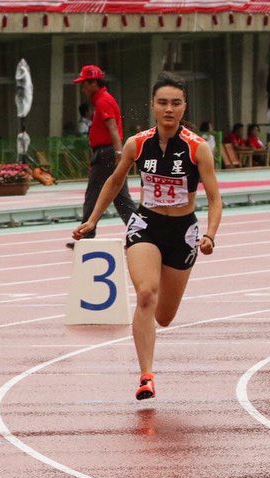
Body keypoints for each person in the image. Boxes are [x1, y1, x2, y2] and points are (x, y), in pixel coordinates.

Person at [73, 72, 221, 401]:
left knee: (164, 317)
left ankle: (150, 328)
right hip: (146, 224)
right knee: (144, 294)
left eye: (176, 103)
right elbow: (113, 181)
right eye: (162, 103)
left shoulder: (198, 149)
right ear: (153, 106)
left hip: (183, 231)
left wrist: (210, 234)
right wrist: (92, 220)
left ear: (184, 107)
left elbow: (214, 198)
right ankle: (146, 376)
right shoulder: (137, 144)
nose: (169, 109)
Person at [66, 65, 136, 249]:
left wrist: (119, 153)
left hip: (107, 153)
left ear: (94, 83)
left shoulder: (103, 101)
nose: (83, 89)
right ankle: (140, 233)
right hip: (108, 153)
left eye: (85, 84)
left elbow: (112, 128)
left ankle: (86, 236)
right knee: (121, 198)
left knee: (93, 195)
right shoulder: (102, 100)